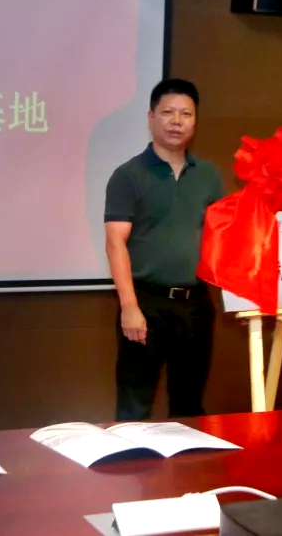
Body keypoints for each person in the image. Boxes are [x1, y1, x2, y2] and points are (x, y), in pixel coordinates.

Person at [103, 78, 225, 421]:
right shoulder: (128, 175)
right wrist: (129, 306)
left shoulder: (209, 177)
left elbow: (224, 238)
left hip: (196, 306)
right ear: (151, 117)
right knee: (135, 407)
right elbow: (115, 242)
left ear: (195, 121)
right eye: (168, 112)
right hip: (146, 303)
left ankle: (188, 460)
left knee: (189, 405)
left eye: (186, 114)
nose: (176, 121)